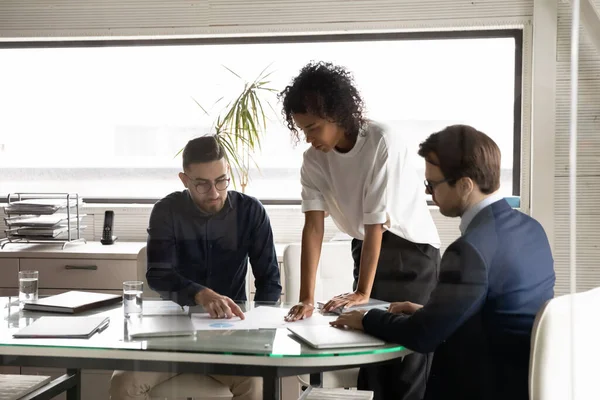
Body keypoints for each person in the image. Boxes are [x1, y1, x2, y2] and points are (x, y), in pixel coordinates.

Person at [331, 125, 555, 400]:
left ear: (464, 185)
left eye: (432, 184)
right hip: (519, 382)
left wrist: (367, 318)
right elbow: (499, 315)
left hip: (476, 387)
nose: (428, 193)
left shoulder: (469, 250)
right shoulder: (532, 230)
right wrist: (427, 312)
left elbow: (422, 337)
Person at [279, 61, 441, 400]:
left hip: (411, 252)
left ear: (337, 114)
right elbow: (313, 228)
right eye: (302, 129)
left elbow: (376, 223)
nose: (308, 137)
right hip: (366, 246)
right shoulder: (313, 161)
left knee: (405, 358)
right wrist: (307, 297)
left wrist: (362, 292)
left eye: (313, 127)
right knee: (371, 356)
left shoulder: (381, 141)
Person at [110, 135, 282, 400]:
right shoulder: (166, 211)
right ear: (185, 180)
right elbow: (158, 274)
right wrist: (200, 293)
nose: (214, 193)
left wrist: (259, 332)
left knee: (257, 382)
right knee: (124, 382)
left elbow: (269, 280)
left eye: (221, 181)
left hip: (231, 333)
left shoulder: (251, 212)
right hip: (172, 333)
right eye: (202, 184)